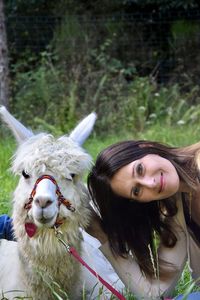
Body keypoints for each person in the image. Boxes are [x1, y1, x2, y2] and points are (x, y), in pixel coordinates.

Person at [87, 140, 200, 299]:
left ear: (145, 148)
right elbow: (154, 293)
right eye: (137, 190)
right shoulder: (177, 207)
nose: (151, 183)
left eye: (139, 169)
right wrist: (101, 234)